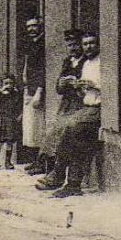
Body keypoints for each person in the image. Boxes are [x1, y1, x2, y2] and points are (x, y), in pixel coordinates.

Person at [48, 31, 104, 198]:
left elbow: (111, 88)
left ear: (98, 44)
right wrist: (79, 87)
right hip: (87, 107)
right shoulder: (86, 64)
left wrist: (93, 85)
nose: (88, 47)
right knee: (65, 128)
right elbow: (84, 94)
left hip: (100, 109)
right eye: (86, 44)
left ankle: (67, 180)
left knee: (71, 130)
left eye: (92, 43)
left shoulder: (104, 62)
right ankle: (62, 178)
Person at [30, 27, 83, 181]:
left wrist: (75, 84)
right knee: (54, 133)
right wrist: (62, 83)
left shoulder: (86, 62)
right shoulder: (67, 62)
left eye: (75, 44)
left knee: (64, 134)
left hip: (80, 104)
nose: (72, 48)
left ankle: (57, 174)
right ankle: (48, 168)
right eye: (69, 45)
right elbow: (58, 89)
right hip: (66, 103)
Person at [18, 16, 46, 166]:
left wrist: (39, 91)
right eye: (29, 26)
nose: (31, 29)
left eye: (34, 26)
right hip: (29, 88)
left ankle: (41, 163)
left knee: (38, 126)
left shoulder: (42, 44)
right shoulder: (30, 43)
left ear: (40, 26)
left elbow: (43, 69)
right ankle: (34, 160)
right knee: (30, 128)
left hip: (38, 91)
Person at [0, 73, 24, 171]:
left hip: (11, 120)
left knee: (9, 142)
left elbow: (20, 105)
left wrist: (20, 116)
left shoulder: (16, 95)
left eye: (11, 83)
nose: (9, 85)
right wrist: (1, 91)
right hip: (1, 120)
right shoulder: (0, 94)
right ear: (2, 84)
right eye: (6, 83)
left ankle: (8, 162)